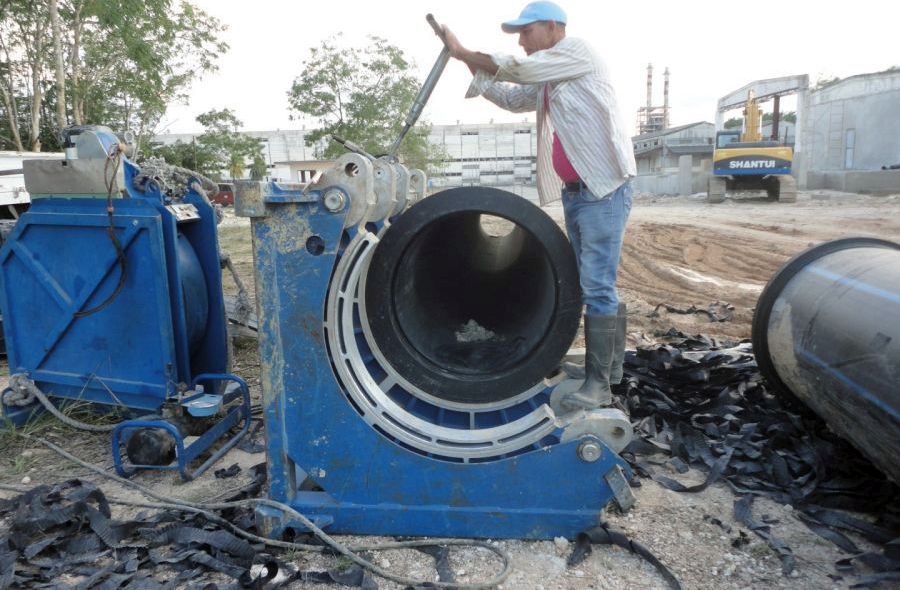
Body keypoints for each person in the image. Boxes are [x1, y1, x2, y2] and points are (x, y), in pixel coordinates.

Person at [440, 1, 636, 411]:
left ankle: (600, 385)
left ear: (552, 27)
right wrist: (466, 64)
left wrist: (463, 51)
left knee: (597, 285)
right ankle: (609, 371)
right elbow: (512, 98)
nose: (522, 42)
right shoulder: (553, 77)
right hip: (578, 191)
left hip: (602, 189)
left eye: (526, 33)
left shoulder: (577, 53)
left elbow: (520, 69)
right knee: (593, 282)